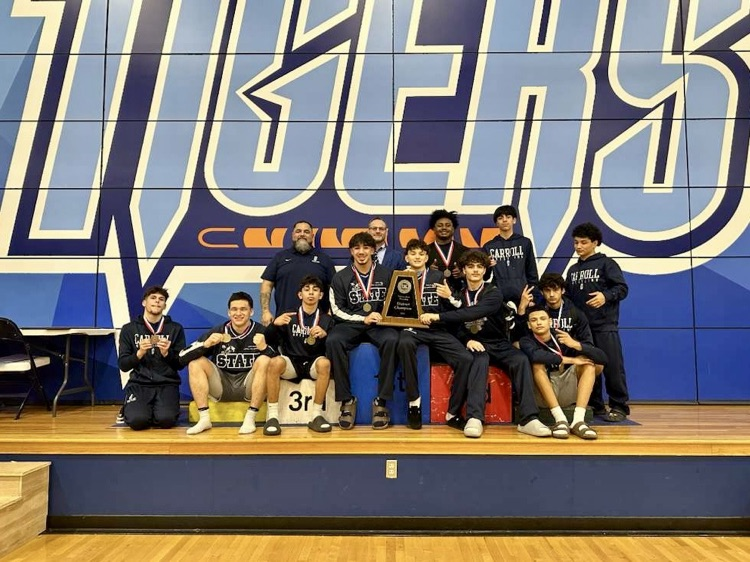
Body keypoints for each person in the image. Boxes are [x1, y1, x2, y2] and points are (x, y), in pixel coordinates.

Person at [421, 250, 551, 438]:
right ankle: (475, 417)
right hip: (476, 343)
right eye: (471, 266)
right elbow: (455, 325)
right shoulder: (458, 294)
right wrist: (467, 339)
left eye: (479, 267)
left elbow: (471, 313)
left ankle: (528, 419)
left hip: (498, 342)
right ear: (463, 270)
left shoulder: (494, 293)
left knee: (521, 360)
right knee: (479, 360)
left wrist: (437, 316)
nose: (475, 270)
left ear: (484, 270)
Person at [397, 239, 481, 432]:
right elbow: (391, 311)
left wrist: (449, 296)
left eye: (421, 254)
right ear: (406, 257)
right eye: (413, 254)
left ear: (427, 258)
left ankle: (452, 413)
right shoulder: (400, 277)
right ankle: (414, 403)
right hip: (412, 329)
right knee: (403, 343)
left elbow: (460, 307)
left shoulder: (437, 276)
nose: (417, 257)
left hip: (438, 329)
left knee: (465, 359)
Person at [326, 232, 399, 430]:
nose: (361, 252)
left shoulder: (388, 274)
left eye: (366, 248)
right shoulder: (340, 277)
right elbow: (337, 310)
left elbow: (396, 302)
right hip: (351, 324)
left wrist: (384, 315)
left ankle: (381, 402)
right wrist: (362, 318)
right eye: (357, 248)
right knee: (334, 341)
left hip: (379, 325)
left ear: (373, 250)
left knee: (393, 339)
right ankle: (347, 400)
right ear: (351, 251)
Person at [180, 291, 275, 435]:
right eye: (234, 309)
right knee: (196, 363)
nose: (238, 313)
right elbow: (182, 357)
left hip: (248, 385)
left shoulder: (262, 332)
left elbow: (280, 363)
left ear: (251, 311)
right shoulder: (218, 330)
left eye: (243, 309)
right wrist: (206, 344)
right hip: (221, 385)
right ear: (228, 312)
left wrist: (265, 348)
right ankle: (204, 419)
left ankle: (251, 418)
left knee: (264, 360)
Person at [566, 222, 630, 422]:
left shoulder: (607, 264)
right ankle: (595, 405)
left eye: (584, 242)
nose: (579, 246)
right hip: (582, 329)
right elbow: (567, 296)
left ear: (595, 243)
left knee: (611, 366)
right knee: (588, 366)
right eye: (576, 242)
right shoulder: (573, 269)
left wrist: (605, 295)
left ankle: (619, 406)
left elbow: (622, 289)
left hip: (604, 325)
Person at [520, 305, 607, 440]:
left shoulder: (562, 336)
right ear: (529, 325)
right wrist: (571, 360)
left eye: (542, 318)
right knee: (537, 364)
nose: (538, 322)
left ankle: (578, 421)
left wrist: (575, 344)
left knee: (589, 364)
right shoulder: (526, 341)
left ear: (550, 322)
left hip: (566, 388)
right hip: (543, 394)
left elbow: (603, 359)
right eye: (534, 320)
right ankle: (560, 419)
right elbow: (536, 356)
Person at [263, 276, 335, 435]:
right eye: (307, 290)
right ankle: (273, 417)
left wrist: (325, 334)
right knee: (275, 363)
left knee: (325, 364)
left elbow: (334, 345)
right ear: (299, 295)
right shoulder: (288, 317)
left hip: (313, 363)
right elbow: (267, 339)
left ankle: (316, 415)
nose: (311, 293)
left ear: (321, 296)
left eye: (315, 290)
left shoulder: (327, 320)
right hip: (292, 363)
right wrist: (274, 324)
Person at [117, 286, 186, 430]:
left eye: (161, 299)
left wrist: (167, 354)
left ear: (165, 305)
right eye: (153, 298)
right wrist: (140, 352)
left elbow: (180, 364)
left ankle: (152, 410)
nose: (157, 302)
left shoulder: (175, 328)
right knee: (137, 422)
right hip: (139, 383)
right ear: (144, 302)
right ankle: (130, 409)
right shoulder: (129, 329)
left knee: (166, 421)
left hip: (167, 383)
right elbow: (123, 365)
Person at [260, 220, 336, 326]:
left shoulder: (324, 259)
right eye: (298, 231)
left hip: (317, 323)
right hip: (285, 321)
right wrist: (265, 311)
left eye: (306, 232)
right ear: (293, 235)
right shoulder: (280, 258)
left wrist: (330, 312)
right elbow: (267, 284)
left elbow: (334, 289)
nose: (302, 234)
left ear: (312, 235)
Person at [482, 205, 539, 306]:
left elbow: (532, 272)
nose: (504, 220)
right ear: (496, 223)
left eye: (508, 217)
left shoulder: (525, 242)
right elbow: (485, 277)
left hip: (522, 296)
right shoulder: (489, 246)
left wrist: (533, 296)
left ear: (514, 220)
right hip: (499, 297)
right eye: (500, 218)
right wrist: (488, 266)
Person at [537, 272, 594, 344]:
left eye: (555, 290)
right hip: (544, 352)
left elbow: (588, 343)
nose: (551, 294)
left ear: (563, 290)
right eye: (547, 290)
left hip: (570, 353)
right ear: (542, 292)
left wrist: (573, 343)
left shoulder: (576, 313)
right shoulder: (536, 313)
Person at [426, 209, 468, 292]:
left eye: (448, 225)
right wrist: (427, 271)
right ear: (433, 228)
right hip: (434, 296)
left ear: (453, 228)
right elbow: (416, 274)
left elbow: (476, 274)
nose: (444, 228)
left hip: (458, 295)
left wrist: (463, 274)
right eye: (440, 225)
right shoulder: (425, 252)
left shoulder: (464, 251)